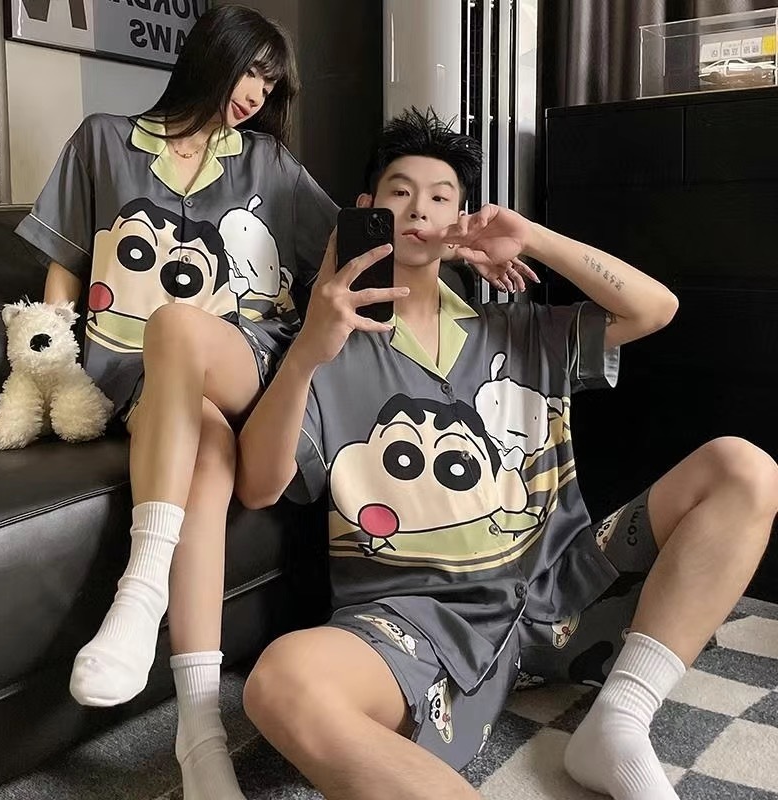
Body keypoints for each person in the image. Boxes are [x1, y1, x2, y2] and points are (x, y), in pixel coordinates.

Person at [235, 108, 778, 800]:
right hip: (417, 622)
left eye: (441, 198)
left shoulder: (519, 330)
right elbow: (259, 485)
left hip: (562, 587)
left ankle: (619, 721)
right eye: (400, 192)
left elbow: (655, 308)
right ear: (365, 209)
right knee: (281, 683)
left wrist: (533, 237)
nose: (420, 209)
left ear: (460, 222)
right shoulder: (323, 347)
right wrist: (309, 353)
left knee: (743, 467)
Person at [14, 7, 337, 800]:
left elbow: (344, 247)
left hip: (245, 357)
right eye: (250, 70)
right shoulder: (103, 141)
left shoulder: (269, 164)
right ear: (211, 56)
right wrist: (51, 354)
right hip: (137, 376)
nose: (257, 94)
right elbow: (65, 261)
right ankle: (201, 738)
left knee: (180, 326)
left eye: (270, 83)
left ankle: (140, 592)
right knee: (206, 441)